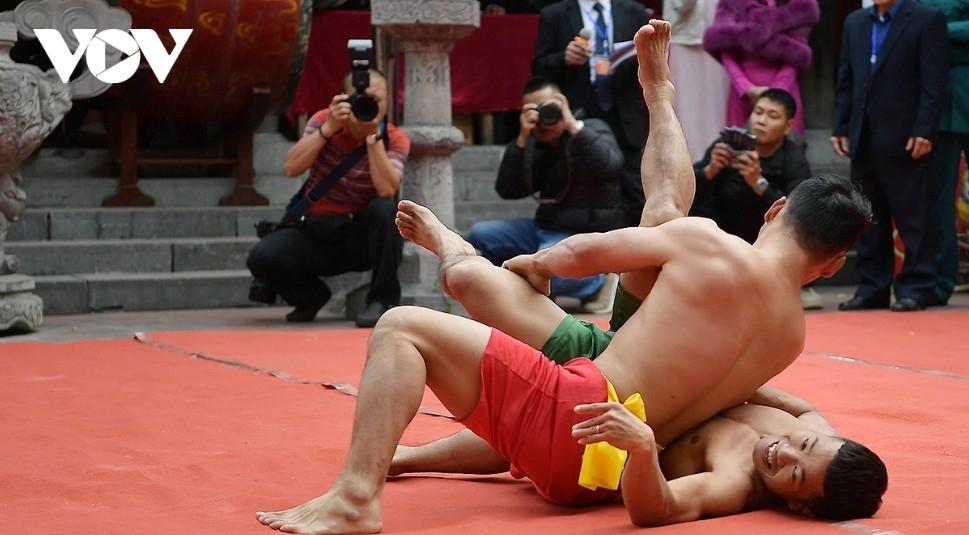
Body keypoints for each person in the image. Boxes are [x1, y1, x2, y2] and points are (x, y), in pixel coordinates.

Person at [255, 21, 872, 533]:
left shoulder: (710, 245)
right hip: (602, 460)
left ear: (774, 210)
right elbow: (747, 396)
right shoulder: (791, 335)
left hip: (581, 407)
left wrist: (537, 264)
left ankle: (356, 498)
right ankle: (652, 102)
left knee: (400, 327)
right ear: (835, 264)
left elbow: (583, 252)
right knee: (494, 281)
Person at [389, 384, 888, 523]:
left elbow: (658, 510)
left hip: (609, 454)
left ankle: (409, 459)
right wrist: (742, 378)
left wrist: (644, 447)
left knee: (552, 425)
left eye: (795, 476)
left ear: (798, 504)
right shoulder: (819, 435)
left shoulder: (735, 483)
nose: (784, 453)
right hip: (660, 397)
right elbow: (807, 408)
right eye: (804, 445)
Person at [246, 69, 410, 328]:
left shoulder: (395, 138)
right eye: (361, 99)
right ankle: (310, 296)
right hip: (317, 231)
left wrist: (372, 138)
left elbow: (387, 189)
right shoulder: (324, 120)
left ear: (387, 100)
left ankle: (382, 301)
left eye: (376, 100)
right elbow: (291, 168)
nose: (369, 105)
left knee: (386, 209)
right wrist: (328, 129)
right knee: (261, 256)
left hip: (361, 237)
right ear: (345, 98)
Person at [466, 76, 626, 314]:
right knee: (481, 234)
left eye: (548, 107)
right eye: (535, 110)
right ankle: (534, 279)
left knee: (551, 274)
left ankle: (599, 281)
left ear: (563, 104)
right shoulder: (534, 144)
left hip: (583, 234)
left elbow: (612, 165)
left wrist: (572, 126)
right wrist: (521, 141)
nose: (544, 116)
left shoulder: (591, 128)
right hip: (544, 231)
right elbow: (507, 190)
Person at [831, 0, 949, 312]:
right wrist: (841, 125)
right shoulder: (855, 22)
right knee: (868, 217)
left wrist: (925, 129)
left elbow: (934, 82)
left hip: (907, 136)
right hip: (863, 133)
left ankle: (917, 286)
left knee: (913, 217)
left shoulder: (927, 19)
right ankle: (872, 288)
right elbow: (846, 79)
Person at [690, 88, 821, 309]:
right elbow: (690, 197)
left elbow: (800, 213)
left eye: (772, 116)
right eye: (758, 112)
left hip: (765, 244)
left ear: (788, 126)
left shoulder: (793, 158)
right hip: (723, 237)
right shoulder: (727, 145)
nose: (761, 121)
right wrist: (709, 172)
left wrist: (759, 184)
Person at [532, 0, 652, 224]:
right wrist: (563, 58)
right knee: (585, 189)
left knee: (635, 190)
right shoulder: (554, 14)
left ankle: (640, 252)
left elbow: (653, 61)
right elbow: (539, 67)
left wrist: (642, 57)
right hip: (579, 113)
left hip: (623, 112)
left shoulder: (633, 12)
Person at [702, 0, 819, 136]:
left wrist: (776, 91)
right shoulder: (732, 3)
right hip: (743, 96)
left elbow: (797, 56)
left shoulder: (799, 5)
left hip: (783, 94)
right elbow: (726, 53)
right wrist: (746, 88)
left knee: (784, 152)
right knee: (740, 151)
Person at [922, 0, 969, 306]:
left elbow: (919, 28)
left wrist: (933, 29)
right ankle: (941, 281)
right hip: (936, 100)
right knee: (939, 201)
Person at [665, 0, 730, 161]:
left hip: (721, 39)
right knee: (687, 109)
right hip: (686, 39)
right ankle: (690, 167)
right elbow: (681, 5)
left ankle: (723, 160)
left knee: (718, 106)